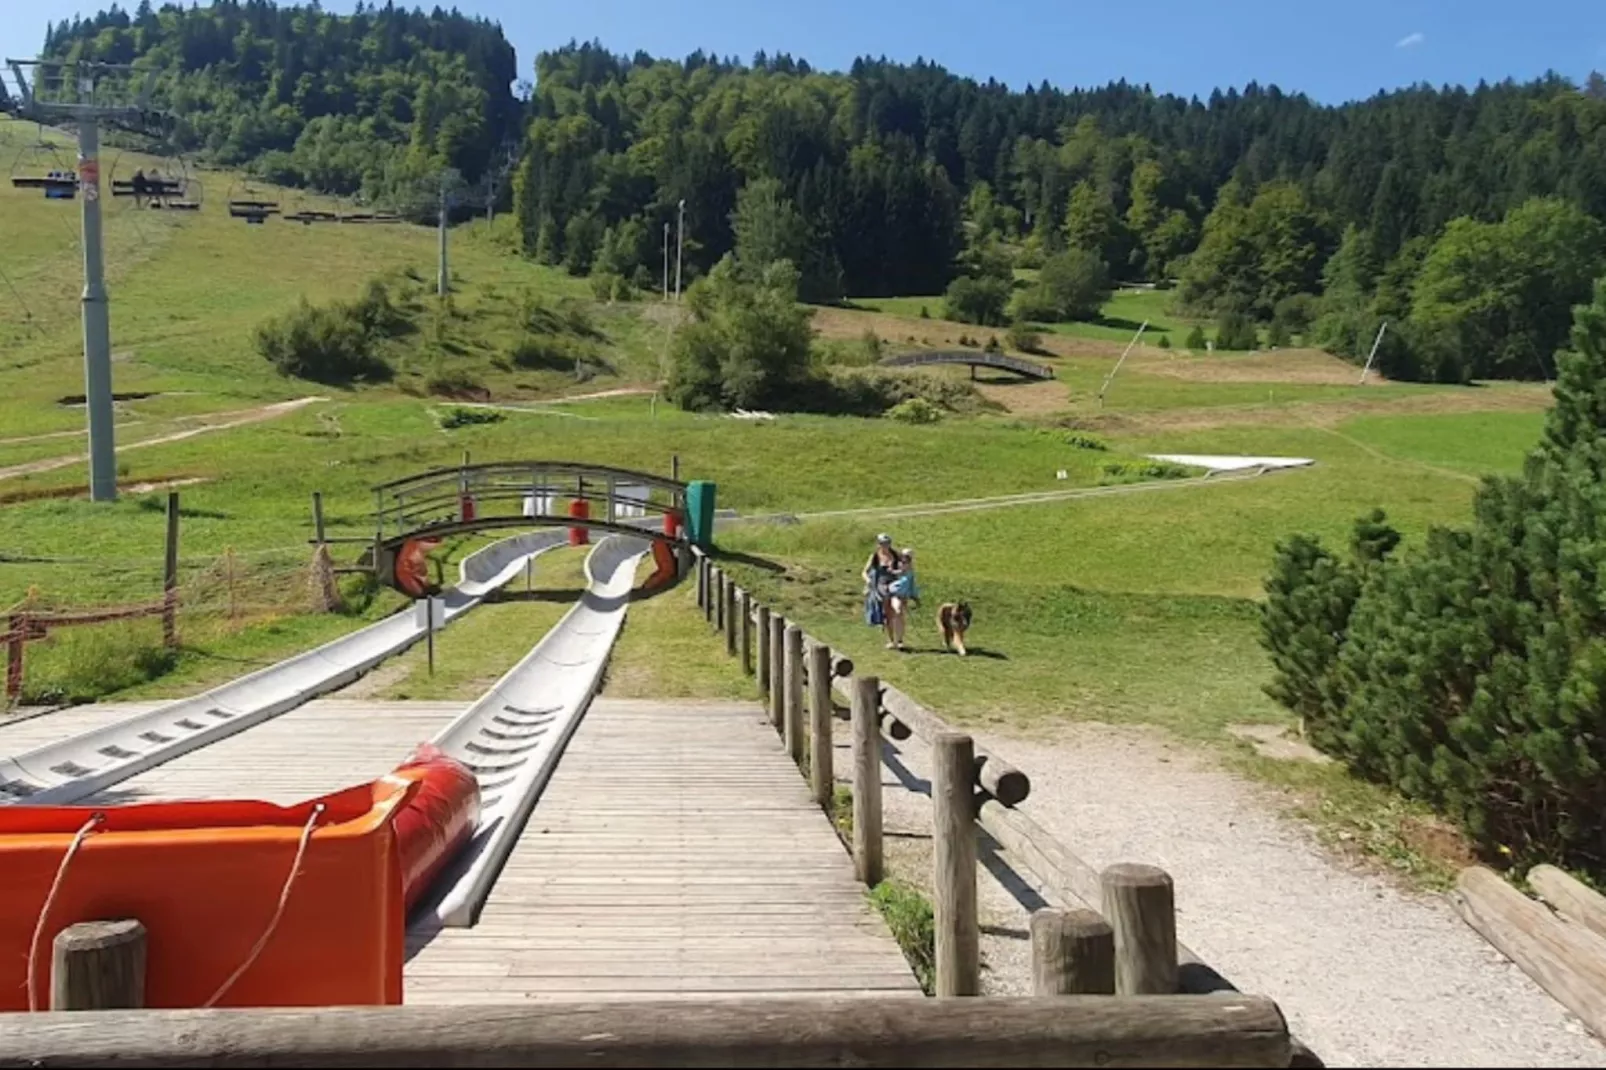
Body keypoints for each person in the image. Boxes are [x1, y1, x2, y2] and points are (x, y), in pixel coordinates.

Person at [862, 533, 905, 649]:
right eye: (882, 543)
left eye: (887, 543)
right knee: (888, 614)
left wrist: (898, 572)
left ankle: (900, 639)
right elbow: (865, 572)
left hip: (894, 585)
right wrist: (868, 581)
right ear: (878, 544)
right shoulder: (875, 556)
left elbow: (905, 569)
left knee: (898, 609)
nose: (885, 546)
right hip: (881, 586)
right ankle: (891, 640)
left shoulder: (896, 555)